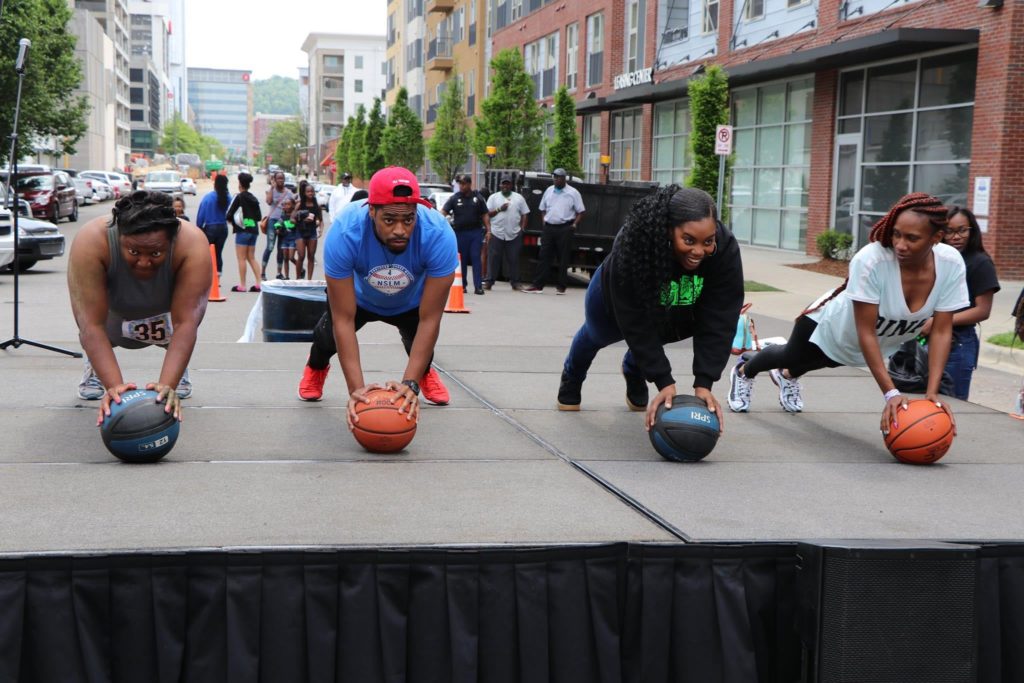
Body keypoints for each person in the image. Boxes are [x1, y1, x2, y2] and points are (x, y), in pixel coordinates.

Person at [728, 193, 968, 436]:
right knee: (791, 355)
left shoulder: (950, 264)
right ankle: (744, 370)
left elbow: (941, 329)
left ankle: (785, 376)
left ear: (937, 237)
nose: (900, 244)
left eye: (912, 238)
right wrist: (891, 393)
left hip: (861, 344)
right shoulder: (872, 260)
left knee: (825, 361)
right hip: (827, 324)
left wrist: (931, 394)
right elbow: (865, 331)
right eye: (896, 234)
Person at [557, 187, 742, 430]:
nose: (699, 251)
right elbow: (633, 319)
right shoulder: (636, 240)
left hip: (670, 299)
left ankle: (634, 369)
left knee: (662, 332)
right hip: (613, 299)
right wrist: (664, 380)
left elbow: (719, 316)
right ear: (668, 228)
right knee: (597, 335)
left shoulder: (724, 248)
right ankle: (572, 374)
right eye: (689, 240)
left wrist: (704, 383)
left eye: (708, 241)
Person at [296, 166, 457, 419]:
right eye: (389, 220)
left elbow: (430, 319)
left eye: (408, 219)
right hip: (359, 298)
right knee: (327, 336)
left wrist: (410, 383)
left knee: (419, 343)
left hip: (410, 300)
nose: (400, 230)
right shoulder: (345, 232)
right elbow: (344, 319)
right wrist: (356, 390)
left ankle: (423, 374)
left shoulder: (438, 235)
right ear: (372, 210)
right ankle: (316, 367)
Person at [68, 190, 212, 423]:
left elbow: (187, 322)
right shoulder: (91, 240)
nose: (144, 262)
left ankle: (176, 366)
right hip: (113, 317)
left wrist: (167, 386)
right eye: (134, 251)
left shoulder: (192, 243)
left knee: (178, 341)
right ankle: (96, 365)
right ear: (120, 235)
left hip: (167, 317)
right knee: (96, 335)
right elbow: (90, 324)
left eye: (155, 253)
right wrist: (116, 392)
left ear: (171, 238)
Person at [916, 206, 999, 400]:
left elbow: (982, 311)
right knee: (916, 398)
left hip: (958, 343)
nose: (956, 237)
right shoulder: (934, 259)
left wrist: (938, 321)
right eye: (950, 231)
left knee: (950, 402)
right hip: (923, 338)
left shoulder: (980, 262)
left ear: (972, 230)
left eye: (962, 230)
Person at [522, 168, 585, 295]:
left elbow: (581, 211)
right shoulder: (549, 191)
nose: (556, 179)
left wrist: (573, 225)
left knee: (563, 257)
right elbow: (542, 208)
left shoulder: (573, 193)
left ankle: (561, 286)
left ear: (564, 178)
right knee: (544, 256)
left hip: (565, 228)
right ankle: (537, 285)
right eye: (555, 177)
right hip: (549, 228)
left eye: (559, 177)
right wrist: (544, 222)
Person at [442, 174, 490, 295]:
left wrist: (489, 230)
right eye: (460, 184)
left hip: (475, 232)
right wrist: (438, 222)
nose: (461, 186)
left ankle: (478, 286)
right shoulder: (455, 198)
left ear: (469, 184)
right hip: (460, 233)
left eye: (463, 184)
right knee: (461, 260)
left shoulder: (478, 198)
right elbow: (444, 211)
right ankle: (462, 285)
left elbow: (485, 214)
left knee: (475, 258)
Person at [484, 175, 530, 291]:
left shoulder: (518, 198)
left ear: (511, 185)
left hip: (513, 234)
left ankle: (515, 282)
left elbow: (525, 214)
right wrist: (499, 209)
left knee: (514, 259)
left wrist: (522, 229)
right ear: (500, 185)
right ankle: (489, 281)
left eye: (507, 183)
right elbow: (487, 214)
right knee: (493, 258)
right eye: (503, 184)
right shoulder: (493, 198)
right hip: (496, 232)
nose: (505, 186)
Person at [224, 172, 263, 292]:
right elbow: (259, 217)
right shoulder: (254, 198)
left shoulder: (239, 197)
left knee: (241, 258)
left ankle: (242, 285)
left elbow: (229, 214)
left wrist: (233, 222)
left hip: (242, 230)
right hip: (253, 230)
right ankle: (259, 283)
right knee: (251, 257)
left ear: (240, 184)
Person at [195, 174, 231, 275]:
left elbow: (201, 215)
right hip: (223, 229)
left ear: (215, 184)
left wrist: (199, 227)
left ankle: (208, 275)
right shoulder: (228, 197)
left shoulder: (208, 197)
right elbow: (232, 212)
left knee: (208, 253)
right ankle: (218, 276)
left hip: (210, 229)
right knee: (218, 253)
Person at [262, 171, 295, 280]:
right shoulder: (271, 191)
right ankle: (263, 272)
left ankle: (279, 273)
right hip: (273, 221)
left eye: (282, 178)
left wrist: (292, 217)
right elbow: (269, 201)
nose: (280, 180)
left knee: (281, 248)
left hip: (284, 222)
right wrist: (272, 188)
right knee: (270, 247)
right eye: (278, 179)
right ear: (275, 180)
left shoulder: (289, 193)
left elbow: (295, 204)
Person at [293, 180, 323, 279]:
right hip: (300, 232)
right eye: (308, 192)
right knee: (301, 255)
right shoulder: (299, 204)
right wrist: (301, 219)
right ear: (304, 193)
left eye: (312, 191)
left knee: (311, 256)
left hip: (312, 233)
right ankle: (298, 279)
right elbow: (291, 219)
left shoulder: (317, 205)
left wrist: (320, 230)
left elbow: (321, 220)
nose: (310, 193)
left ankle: (309, 279)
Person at [273, 195, 298, 279]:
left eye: (289, 204)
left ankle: (300, 268)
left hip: (293, 239)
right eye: (285, 204)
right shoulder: (283, 216)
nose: (287, 206)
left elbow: (298, 226)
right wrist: (277, 228)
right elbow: (277, 224)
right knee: (285, 258)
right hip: (285, 239)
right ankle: (287, 276)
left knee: (291, 257)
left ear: (293, 205)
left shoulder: (295, 216)